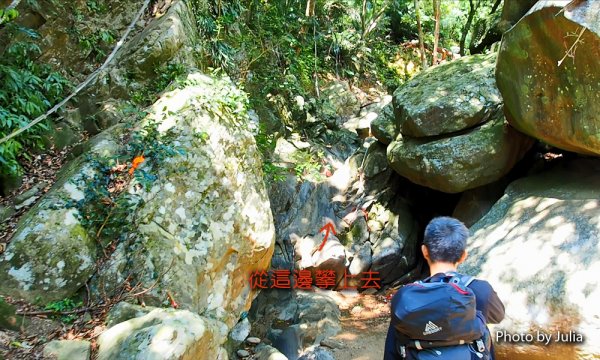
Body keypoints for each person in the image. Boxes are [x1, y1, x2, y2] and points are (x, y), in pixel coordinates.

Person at [383, 216, 505, 360]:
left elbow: (391, 352)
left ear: (424, 251)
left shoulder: (407, 298)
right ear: (463, 256)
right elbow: (499, 316)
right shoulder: (481, 291)